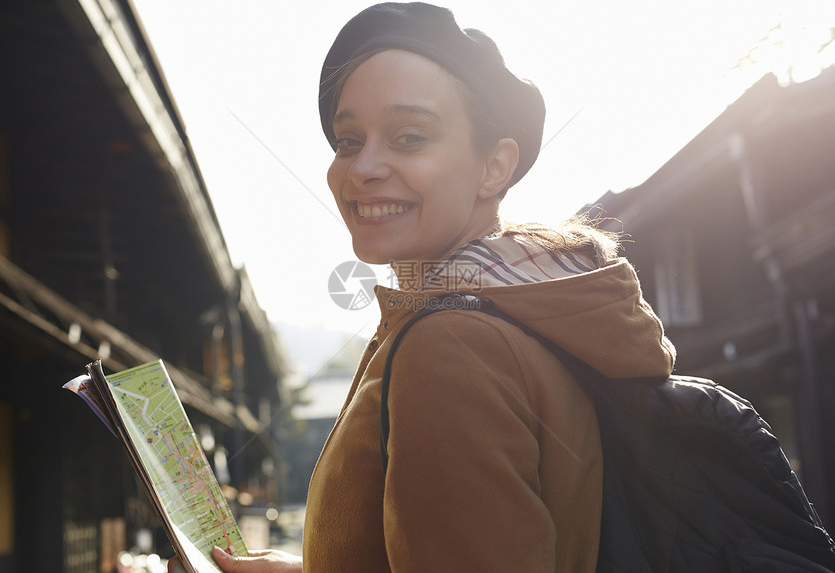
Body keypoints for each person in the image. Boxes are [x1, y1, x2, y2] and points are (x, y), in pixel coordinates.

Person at [170, 3, 675, 572]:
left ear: (494, 167)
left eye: (409, 137)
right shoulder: (524, 309)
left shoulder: (451, 345)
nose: (363, 168)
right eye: (347, 140)